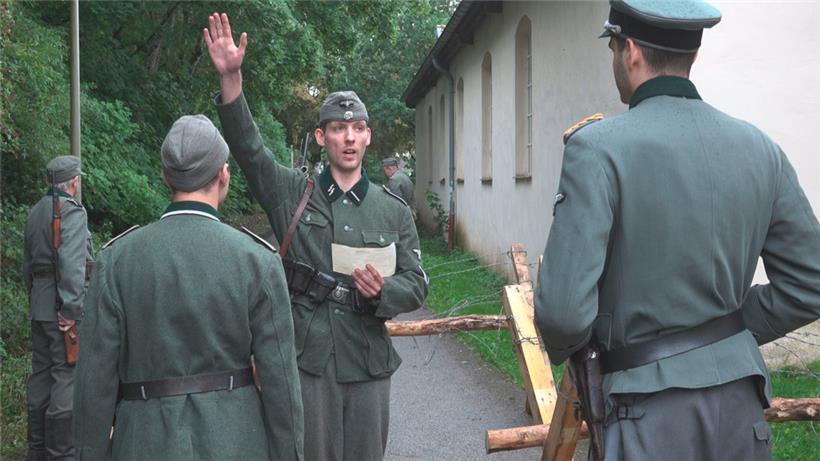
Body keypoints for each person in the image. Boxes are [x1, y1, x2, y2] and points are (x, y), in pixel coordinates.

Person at [534, 1, 820, 460]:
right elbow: (812, 283)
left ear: (629, 52)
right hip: (739, 411)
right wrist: (728, 332)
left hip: (645, 413)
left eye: (612, 47)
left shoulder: (597, 149)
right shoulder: (761, 148)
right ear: (693, 57)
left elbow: (564, 315)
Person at [204, 13, 428, 461]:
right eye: (338, 129)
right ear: (321, 137)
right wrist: (232, 81)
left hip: (368, 361)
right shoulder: (292, 193)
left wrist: (384, 291)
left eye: (357, 129)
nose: (349, 138)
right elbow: (249, 151)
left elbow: (417, 284)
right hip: (310, 360)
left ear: (368, 137)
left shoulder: (394, 210)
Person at [72, 115, 303, 460]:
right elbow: (281, 383)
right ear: (223, 174)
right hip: (238, 442)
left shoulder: (117, 261)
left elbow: (93, 386)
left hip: (143, 444)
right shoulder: (258, 261)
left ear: (166, 177)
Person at [22, 155, 93, 461]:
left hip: (40, 305)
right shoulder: (72, 212)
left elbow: (27, 267)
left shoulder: (35, 212)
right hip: (62, 307)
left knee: (41, 377)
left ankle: (36, 451)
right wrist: (71, 311)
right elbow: (72, 265)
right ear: (73, 182)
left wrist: (36, 300)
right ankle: (61, 454)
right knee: (66, 375)